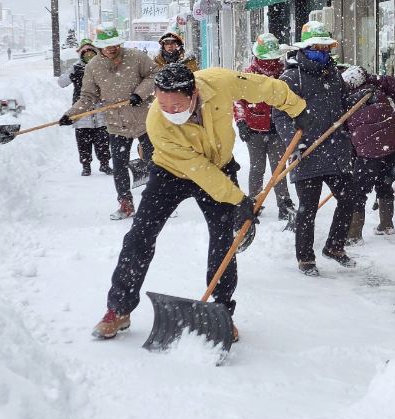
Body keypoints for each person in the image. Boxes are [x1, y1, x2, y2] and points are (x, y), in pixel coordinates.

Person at [91, 63, 314, 341]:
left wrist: (297, 108)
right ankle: (118, 309)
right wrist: (238, 198)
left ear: (194, 93)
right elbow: (199, 171)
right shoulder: (157, 123)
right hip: (171, 172)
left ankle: (220, 312)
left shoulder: (219, 83)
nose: (169, 111)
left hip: (219, 166)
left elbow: (263, 87)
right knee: (139, 237)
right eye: (162, 104)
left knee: (224, 241)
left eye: (176, 105)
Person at [273, 21, 368, 277]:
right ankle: (305, 258)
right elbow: (279, 115)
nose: (322, 51)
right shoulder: (292, 77)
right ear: (305, 47)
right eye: (317, 46)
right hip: (307, 152)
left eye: (326, 46)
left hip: (336, 150)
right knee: (308, 208)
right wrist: (294, 141)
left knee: (350, 199)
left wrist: (356, 99)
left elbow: (338, 104)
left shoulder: (334, 73)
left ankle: (334, 247)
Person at [59, 23, 159, 220]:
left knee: (154, 161)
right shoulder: (93, 66)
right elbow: (87, 97)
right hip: (116, 123)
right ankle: (126, 204)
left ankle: (158, 202)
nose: (112, 48)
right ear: (99, 47)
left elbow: (155, 74)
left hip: (143, 119)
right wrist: (71, 114)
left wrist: (140, 94)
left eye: (114, 44)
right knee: (119, 165)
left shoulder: (136, 57)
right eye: (107, 45)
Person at [341, 65, 395, 245]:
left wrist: (352, 155)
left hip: (368, 149)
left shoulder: (343, 98)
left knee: (358, 190)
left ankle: (354, 234)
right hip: (394, 139)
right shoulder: (376, 86)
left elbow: (343, 131)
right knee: (385, 181)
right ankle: (386, 224)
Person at [233, 33, 296, 221]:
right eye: (267, 59)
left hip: (278, 130)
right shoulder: (247, 75)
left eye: (274, 58)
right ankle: (254, 201)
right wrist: (241, 121)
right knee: (257, 168)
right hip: (254, 130)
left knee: (279, 168)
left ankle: (284, 202)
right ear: (257, 56)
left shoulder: (284, 73)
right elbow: (238, 100)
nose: (271, 63)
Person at [57, 39, 112, 177]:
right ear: (81, 54)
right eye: (85, 53)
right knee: (83, 141)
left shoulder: (104, 66)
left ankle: (104, 164)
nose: (89, 56)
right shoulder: (75, 68)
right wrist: (72, 75)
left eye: (91, 53)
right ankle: (86, 165)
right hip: (81, 110)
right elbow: (61, 83)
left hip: (100, 109)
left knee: (103, 140)